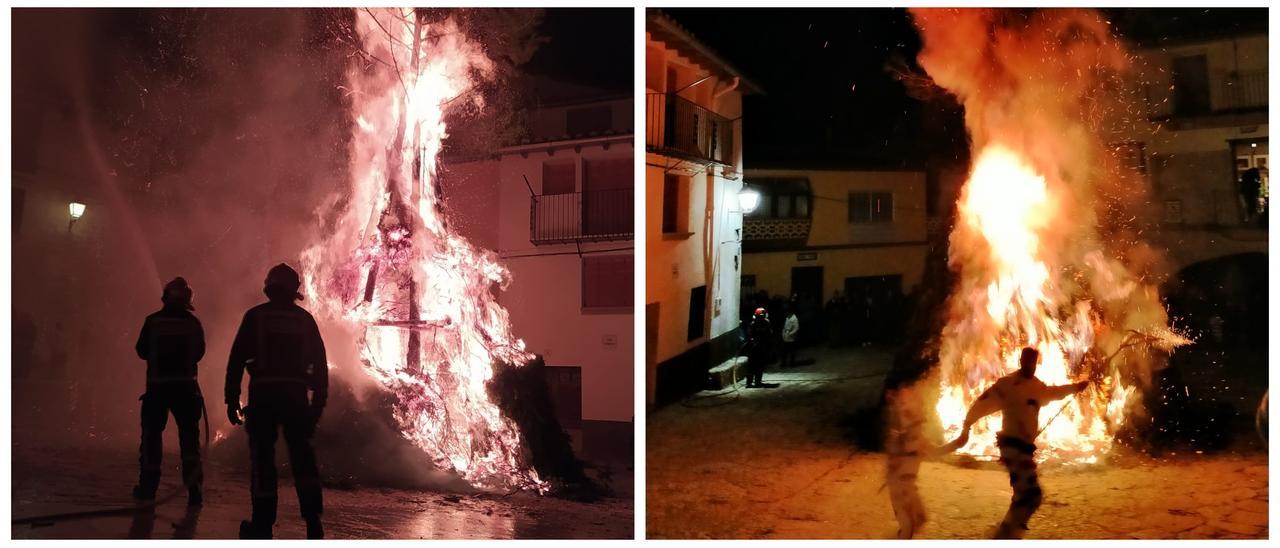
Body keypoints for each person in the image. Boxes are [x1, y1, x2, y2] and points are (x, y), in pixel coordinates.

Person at [226, 263, 329, 539]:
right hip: (295, 399)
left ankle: (261, 525)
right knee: (303, 460)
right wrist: (317, 405)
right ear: (294, 290)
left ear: (269, 287)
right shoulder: (304, 320)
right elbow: (320, 365)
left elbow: (236, 359)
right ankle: (312, 522)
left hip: (263, 398)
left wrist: (231, 399)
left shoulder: (255, 316)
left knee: (263, 462)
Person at [944, 347, 1089, 539]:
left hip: (1025, 449)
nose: (1030, 365)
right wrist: (967, 426)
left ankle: (1007, 532)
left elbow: (1053, 393)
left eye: (1033, 362)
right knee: (1033, 496)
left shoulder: (1037, 386)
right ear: (1020, 361)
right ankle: (1006, 535)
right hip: (1012, 447)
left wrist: (1076, 387)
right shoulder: (1007, 385)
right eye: (1026, 361)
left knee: (1023, 496)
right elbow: (982, 403)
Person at [133, 277, 206, 506]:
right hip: (185, 390)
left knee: (152, 440)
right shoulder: (193, 324)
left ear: (165, 297)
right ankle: (194, 491)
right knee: (189, 442)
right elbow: (199, 352)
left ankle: (148, 488)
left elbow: (141, 350)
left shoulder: (153, 321)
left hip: (157, 390)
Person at [743, 307, 775, 388]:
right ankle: (751, 382)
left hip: (760, 348)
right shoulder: (754, 324)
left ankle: (754, 382)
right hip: (755, 348)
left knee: (757, 365)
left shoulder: (764, 323)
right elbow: (749, 335)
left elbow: (770, 334)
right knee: (754, 365)